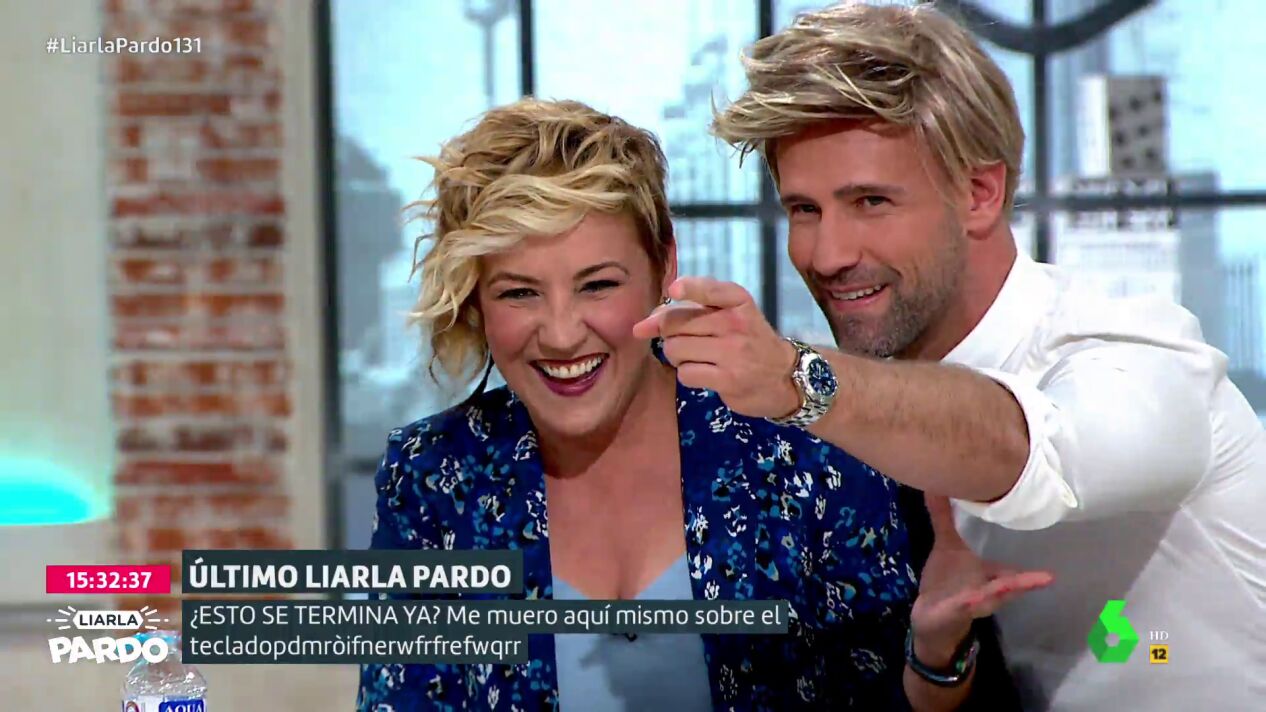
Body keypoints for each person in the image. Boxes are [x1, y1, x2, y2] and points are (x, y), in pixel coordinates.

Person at [634, 2, 1266, 710]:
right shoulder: (865, 421)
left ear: (979, 193)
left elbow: (1029, 450)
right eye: (804, 210)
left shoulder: (1133, 353)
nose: (827, 255)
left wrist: (793, 378)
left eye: (870, 201)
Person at [356, 98, 1032, 711]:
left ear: (663, 265)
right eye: (519, 293)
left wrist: (937, 654)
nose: (561, 334)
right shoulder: (430, 476)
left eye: (597, 285)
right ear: (476, 300)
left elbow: (887, 700)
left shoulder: (804, 453)